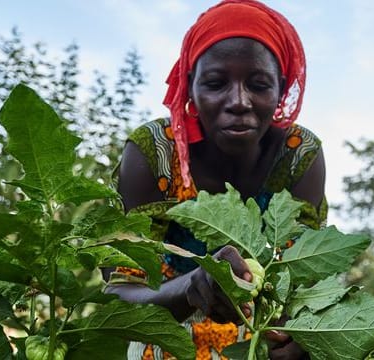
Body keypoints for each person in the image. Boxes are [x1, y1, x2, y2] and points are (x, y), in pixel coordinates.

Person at [104, 1, 327, 359]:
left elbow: (307, 280)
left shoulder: (299, 155)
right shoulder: (155, 155)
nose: (239, 101)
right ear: (190, 86)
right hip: (163, 343)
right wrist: (191, 287)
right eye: (215, 83)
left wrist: (306, 335)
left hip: (258, 344)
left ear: (281, 88)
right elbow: (119, 294)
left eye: (258, 84)